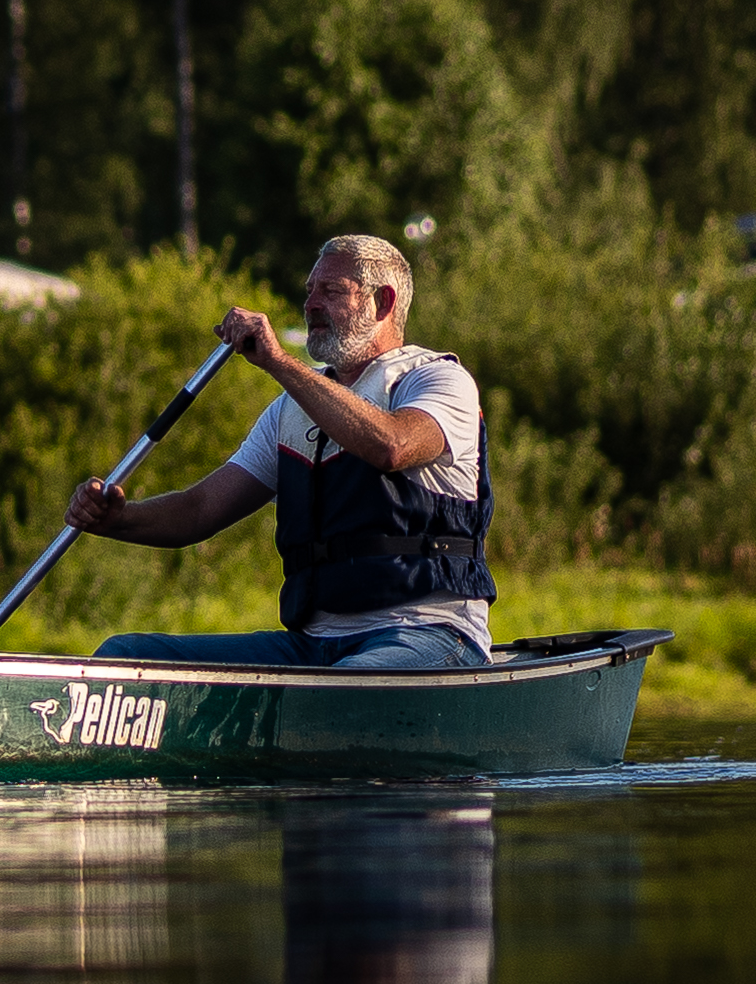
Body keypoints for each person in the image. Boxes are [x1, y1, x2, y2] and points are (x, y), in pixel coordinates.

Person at [59, 232, 490, 671]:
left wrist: (279, 362)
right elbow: (200, 510)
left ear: (382, 303)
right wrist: (117, 519)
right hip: (313, 644)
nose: (311, 305)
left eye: (332, 291)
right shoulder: (289, 411)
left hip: (428, 631)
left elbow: (392, 446)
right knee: (124, 657)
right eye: (309, 291)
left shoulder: (437, 380)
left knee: (338, 689)